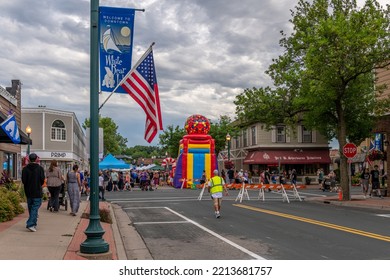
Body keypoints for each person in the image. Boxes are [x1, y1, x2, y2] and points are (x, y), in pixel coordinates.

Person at [22, 153, 45, 232]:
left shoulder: (25, 169)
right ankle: (30, 224)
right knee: (35, 207)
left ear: (29, 159)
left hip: (28, 191)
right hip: (37, 191)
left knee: (31, 207)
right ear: (36, 159)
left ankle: (33, 223)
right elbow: (42, 180)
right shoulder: (40, 168)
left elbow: (23, 181)